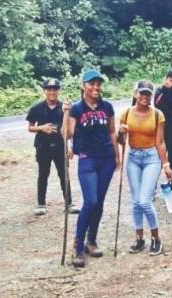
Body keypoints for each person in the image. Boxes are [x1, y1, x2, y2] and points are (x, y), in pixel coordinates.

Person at [63, 69, 120, 267]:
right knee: (91, 201)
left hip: (106, 158)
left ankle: (92, 241)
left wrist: (117, 155)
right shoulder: (77, 109)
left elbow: (112, 132)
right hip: (87, 158)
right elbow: (67, 133)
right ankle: (77, 246)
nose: (95, 87)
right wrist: (65, 113)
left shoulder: (108, 106)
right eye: (91, 84)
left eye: (98, 84)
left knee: (100, 202)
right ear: (83, 86)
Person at [119, 80, 172, 256]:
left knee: (145, 200)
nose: (144, 97)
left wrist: (165, 164)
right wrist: (120, 132)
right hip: (133, 157)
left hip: (151, 157)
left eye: (148, 94)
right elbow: (121, 142)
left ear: (152, 96)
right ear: (135, 94)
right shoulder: (126, 113)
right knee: (136, 201)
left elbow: (160, 142)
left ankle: (156, 238)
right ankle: (139, 238)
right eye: (141, 93)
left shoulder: (158, 115)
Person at [26, 79, 79, 216]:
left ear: (58, 91)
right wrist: (41, 128)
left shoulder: (65, 108)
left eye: (54, 89)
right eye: (49, 89)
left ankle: (69, 203)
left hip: (60, 146)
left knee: (64, 174)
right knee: (43, 174)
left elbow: (71, 129)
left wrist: (71, 146)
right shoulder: (36, 108)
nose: (52, 92)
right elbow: (30, 127)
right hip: (42, 146)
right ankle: (41, 204)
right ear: (44, 91)